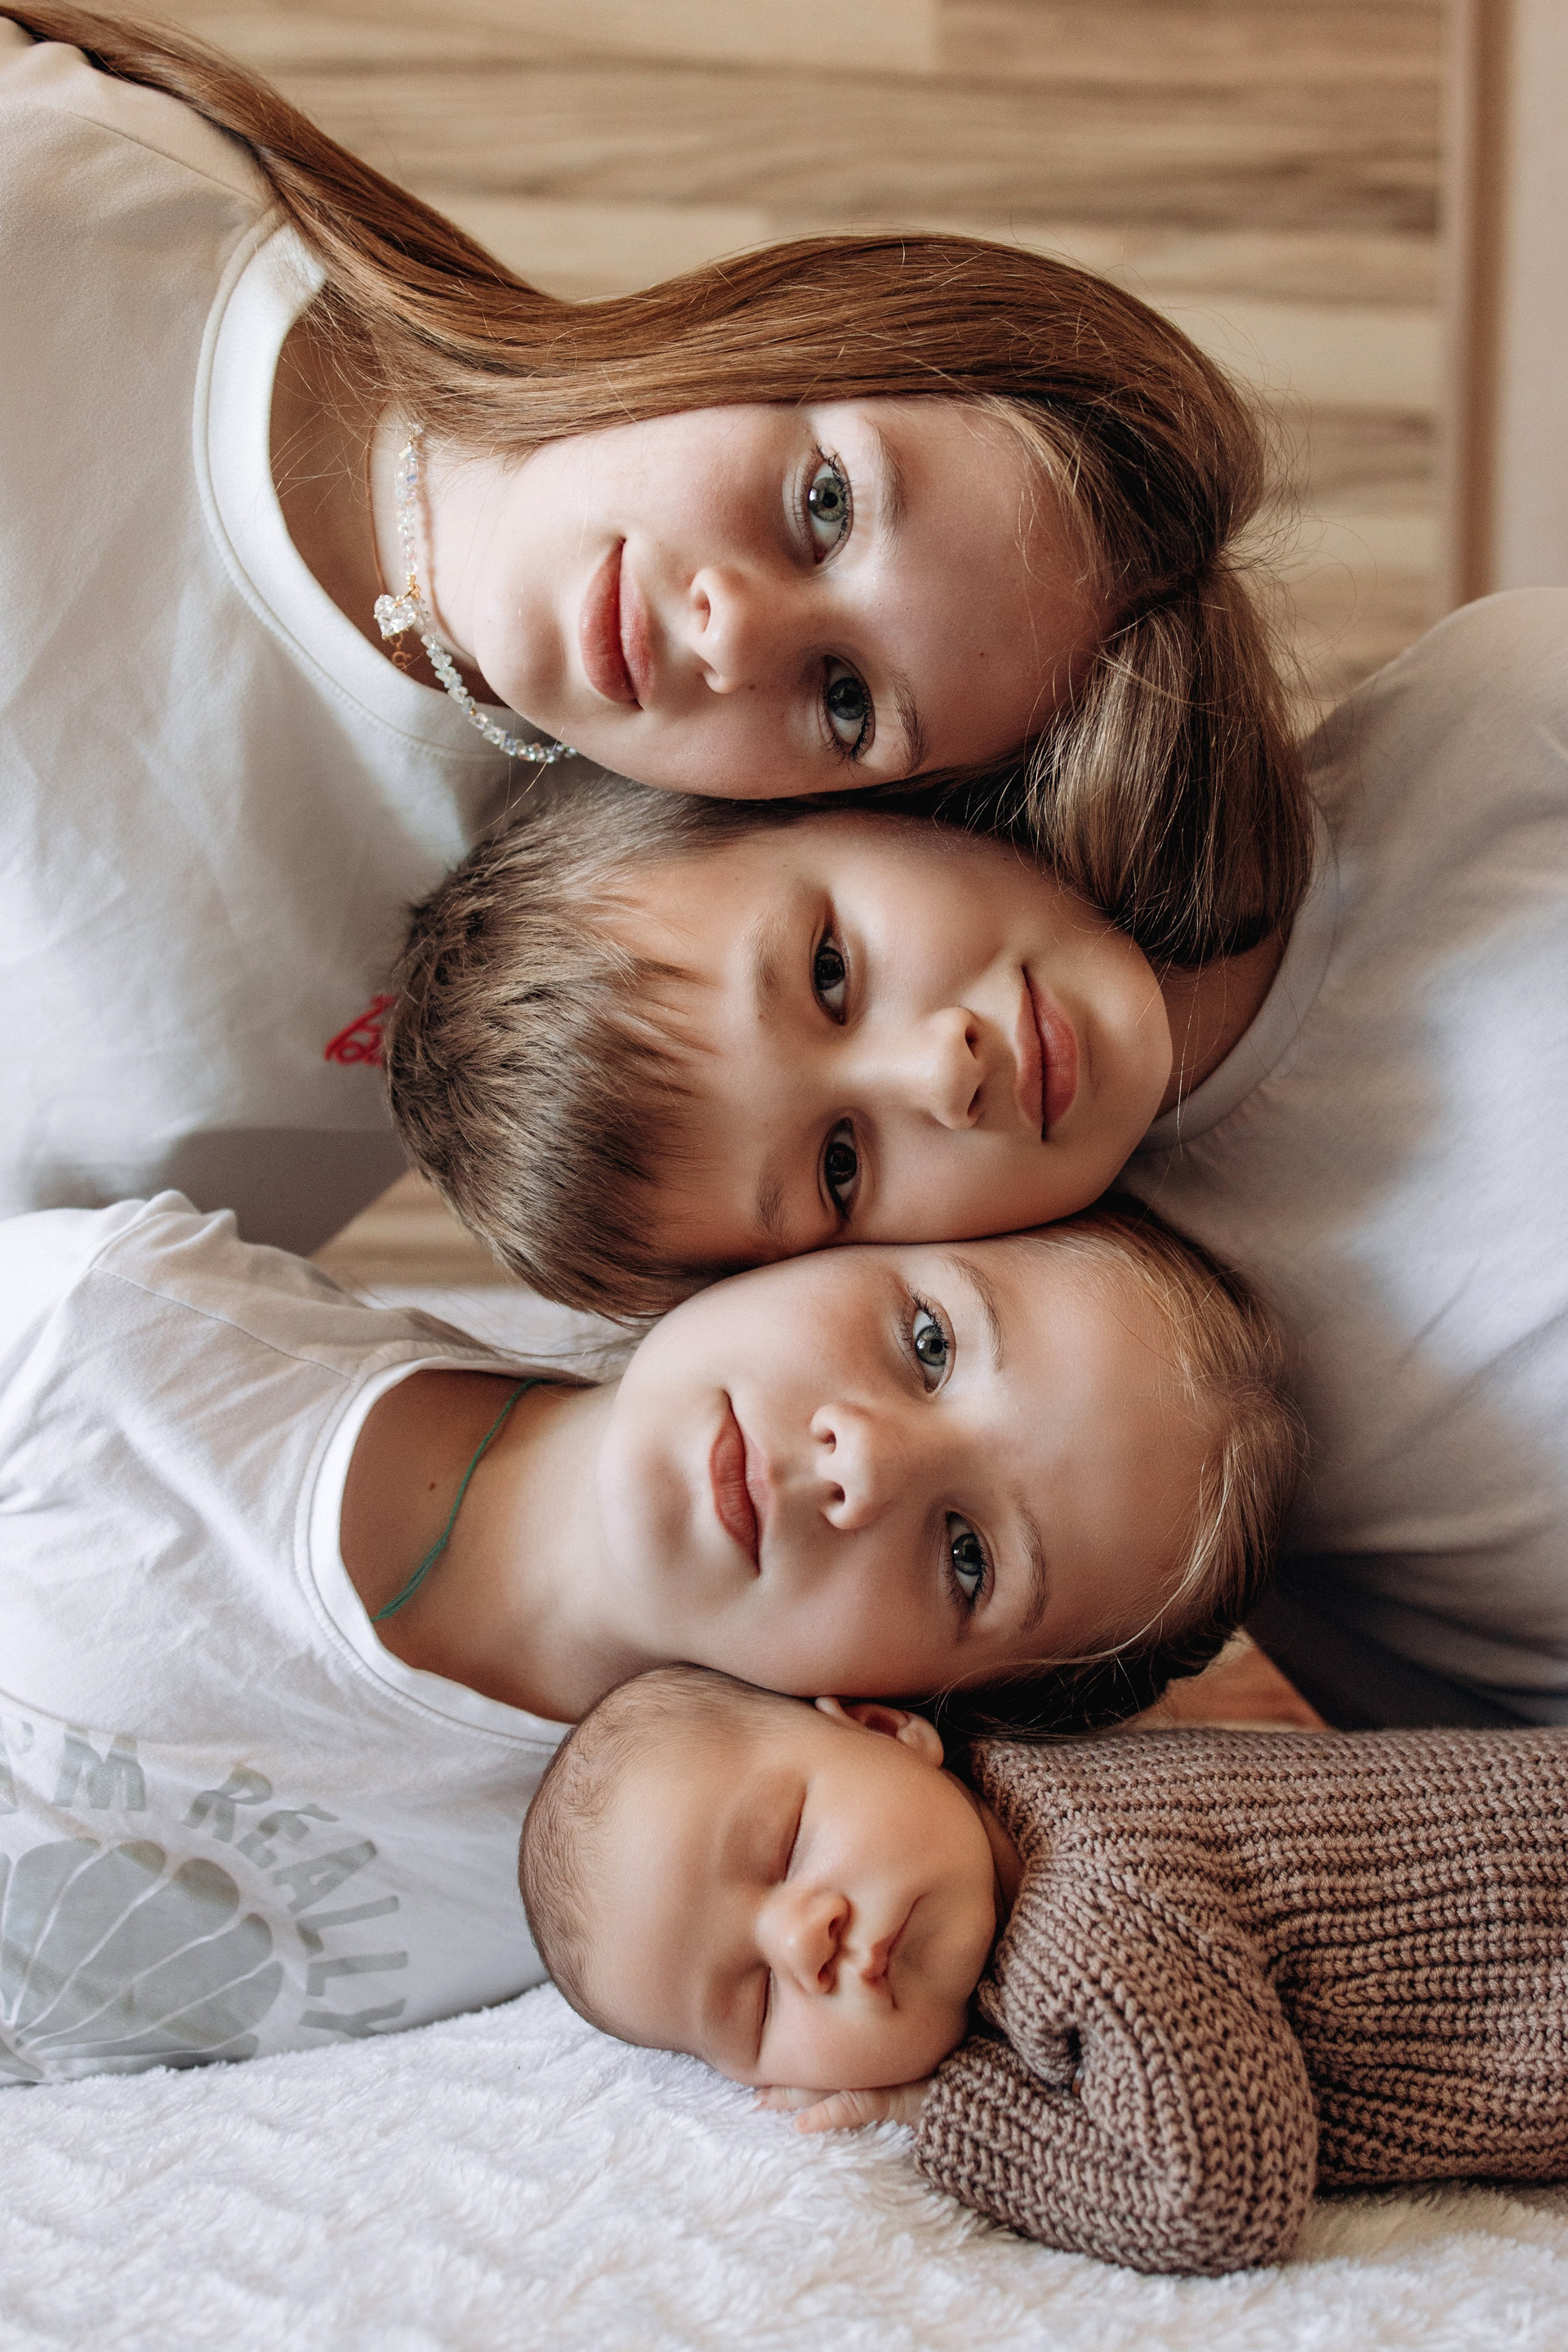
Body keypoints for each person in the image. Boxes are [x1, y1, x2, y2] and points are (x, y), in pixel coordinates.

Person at [0, 2, 1309, 1252]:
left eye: (845, 700)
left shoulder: (617, 977)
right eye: (826, 504)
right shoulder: (68, 208)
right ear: (783, 331)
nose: (734, 636)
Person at [394, 591, 1568, 1731]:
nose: (939, 1072)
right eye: (841, 1169)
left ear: (847, 800)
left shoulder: (1496, 720)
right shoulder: (1168, 1468)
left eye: (829, 971)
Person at [0, 1191, 1299, 2083]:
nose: (865, 1460)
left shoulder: (702, 1926)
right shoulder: (119, 1336)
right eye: (930, 1341)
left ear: (909, 1711)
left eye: (969, 1557)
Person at [518, 1664, 1568, 2277]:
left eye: (788, 1846)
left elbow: (1214, 2196)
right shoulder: (1028, 1795)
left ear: (886, 1730)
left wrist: (947, 2106)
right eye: (754, 2003)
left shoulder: (1089, 1921)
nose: (805, 1940)